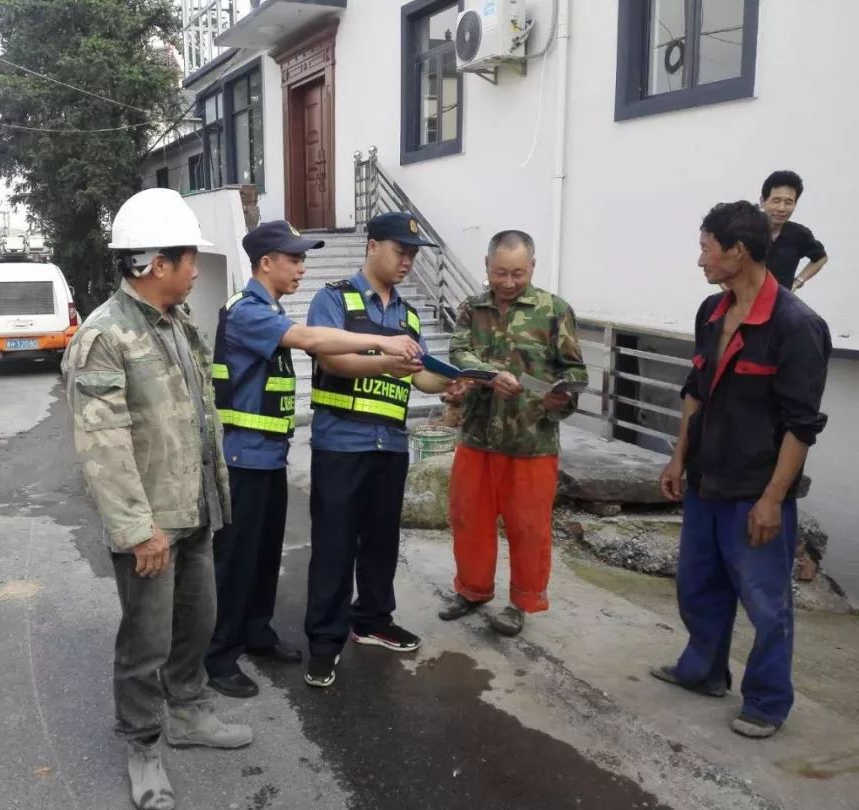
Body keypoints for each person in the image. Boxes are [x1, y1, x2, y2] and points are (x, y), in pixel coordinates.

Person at [64, 188, 250, 810]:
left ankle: (190, 712)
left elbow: (195, 414)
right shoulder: (104, 335)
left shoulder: (177, 322)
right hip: (150, 523)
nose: (197, 269)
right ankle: (142, 744)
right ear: (156, 263)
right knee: (146, 640)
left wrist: (212, 496)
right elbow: (103, 443)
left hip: (193, 505)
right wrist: (137, 529)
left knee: (196, 621)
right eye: (190, 258)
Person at [205, 220, 422, 698]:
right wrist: (383, 343)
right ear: (266, 263)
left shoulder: (271, 309)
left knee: (264, 556)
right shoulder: (247, 311)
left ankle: (257, 632)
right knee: (236, 561)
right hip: (241, 457)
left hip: (269, 457)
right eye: (294, 258)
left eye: (303, 258)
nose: (302, 267)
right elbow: (313, 341)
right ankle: (219, 657)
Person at [655, 201, 830, 739]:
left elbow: (801, 426)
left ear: (738, 251)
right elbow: (696, 390)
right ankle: (704, 671)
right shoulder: (712, 311)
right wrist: (679, 457)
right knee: (698, 586)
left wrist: (773, 500)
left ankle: (768, 701)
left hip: (755, 490)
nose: (700, 260)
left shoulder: (796, 326)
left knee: (766, 602)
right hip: (706, 479)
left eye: (706, 248)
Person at [302, 211, 450, 688]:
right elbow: (333, 359)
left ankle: (371, 620)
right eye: (400, 251)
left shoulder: (408, 315)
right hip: (342, 443)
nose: (407, 262)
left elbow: (422, 376)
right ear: (372, 245)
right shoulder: (333, 299)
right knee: (334, 545)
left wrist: (454, 385)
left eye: (413, 255)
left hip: (391, 445)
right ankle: (324, 642)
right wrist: (388, 360)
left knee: (382, 543)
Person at [438, 230, 587, 635]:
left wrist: (560, 398)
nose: (507, 282)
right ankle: (472, 590)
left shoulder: (554, 310)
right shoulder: (472, 308)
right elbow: (458, 352)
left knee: (529, 528)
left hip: (531, 440)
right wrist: (488, 376)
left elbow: (575, 372)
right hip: (478, 436)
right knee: (469, 518)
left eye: (517, 273)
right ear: (487, 266)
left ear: (532, 267)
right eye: (499, 273)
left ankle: (522, 602)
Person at [759, 170, 828, 292]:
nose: (782, 208)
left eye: (788, 202)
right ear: (763, 201)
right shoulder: (744, 230)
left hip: (781, 301)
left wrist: (798, 282)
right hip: (745, 302)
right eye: (776, 201)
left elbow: (821, 258)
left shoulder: (799, 234)